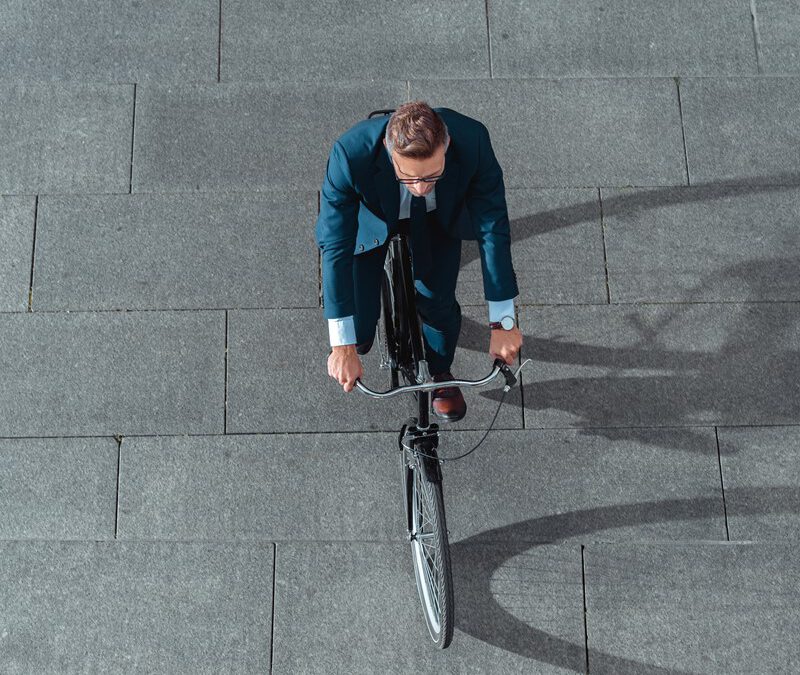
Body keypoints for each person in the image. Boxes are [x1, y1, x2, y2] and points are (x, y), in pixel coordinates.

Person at [316, 101, 522, 422]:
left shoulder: (473, 141)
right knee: (358, 333)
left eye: (432, 175)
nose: (420, 188)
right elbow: (335, 245)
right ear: (388, 148)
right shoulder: (349, 154)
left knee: (437, 303)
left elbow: (493, 228)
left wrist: (504, 322)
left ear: (447, 144)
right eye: (407, 178)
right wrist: (342, 346)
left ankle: (441, 373)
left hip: (438, 221)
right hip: (371, 222)